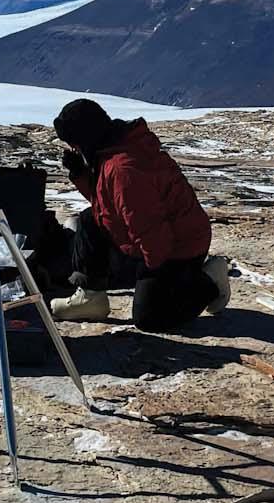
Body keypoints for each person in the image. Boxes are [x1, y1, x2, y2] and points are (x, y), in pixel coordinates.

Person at [48, 98, 230, 331]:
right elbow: (107, 206)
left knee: (149, 318)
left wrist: (148, 277)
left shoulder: (124, 169)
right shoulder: (113, 150)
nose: (74, 149)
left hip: (179, 248)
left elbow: (151, 229)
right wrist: (81, 174)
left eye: (74, 143)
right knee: (89, 220)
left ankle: (209, 281)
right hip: (158, 240)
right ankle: (91, 297)